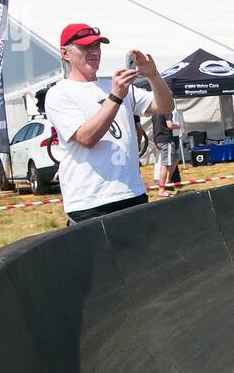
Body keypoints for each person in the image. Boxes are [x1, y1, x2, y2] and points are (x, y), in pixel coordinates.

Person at [45, 23, 174, 224]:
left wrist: (154, 76)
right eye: (85, 47)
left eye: (97, 46)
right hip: (90, 201)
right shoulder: (59, 93)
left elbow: (165, 106)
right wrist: (115, 97)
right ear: (65, 53)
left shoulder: (114, 86)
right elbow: (86, 138)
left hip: (132, 192)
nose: (94, 52)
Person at [151, 106, 182, 197]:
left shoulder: (154, 113)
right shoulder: (167, 110)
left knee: (176, 158)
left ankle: (167, 181)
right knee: (165, 165)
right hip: (166, 140)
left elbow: (154, 126)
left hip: (158, 139)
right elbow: (170, 125)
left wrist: (155, 140)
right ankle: (161, 189)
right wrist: (178, 126)